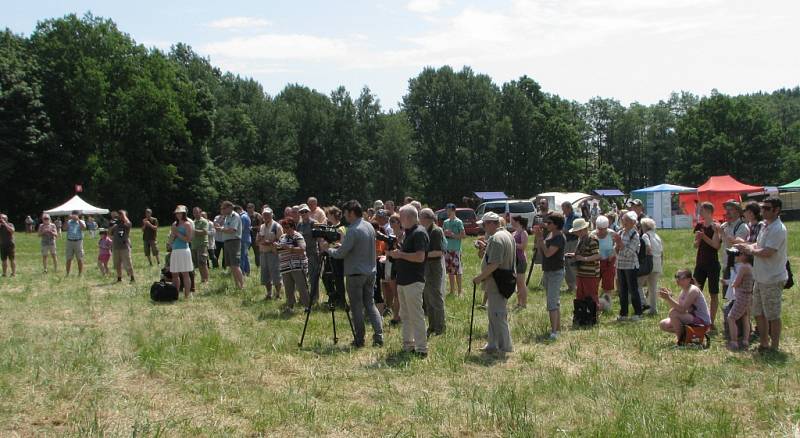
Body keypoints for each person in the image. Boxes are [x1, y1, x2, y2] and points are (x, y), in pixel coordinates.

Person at [323, 200, 384, 348]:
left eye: (345, 213)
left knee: (356, 307)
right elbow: (355, 247)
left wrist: (328, 249)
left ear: (351, 213)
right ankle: (378, 336)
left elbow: (341, 254)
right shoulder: (369, 225)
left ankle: (359, 339)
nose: (344, 216)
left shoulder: (352, 229)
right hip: (370, 272)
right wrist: (341, 246)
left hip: (356, 274)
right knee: (370, 304)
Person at [735, 197, 788, 351]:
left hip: (772, 278)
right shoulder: (765, 226)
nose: (763, 210)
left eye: (767, 208)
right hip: (760, 277)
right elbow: (759, 246)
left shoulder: (778, 229)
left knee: (773, 315)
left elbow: (768, 252)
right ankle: (764, 343)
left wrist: (750, 250)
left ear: (776, 210)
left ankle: (775, 346)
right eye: (762, 207)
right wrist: (746, 246)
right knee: (758, 312)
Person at [388, 205, 429, 357]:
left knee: (416, 314)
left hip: (414, 280)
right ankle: (408, 344)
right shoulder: (408, 233)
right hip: (404, 280)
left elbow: (420, 257)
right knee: (405, 314)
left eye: (401, 217)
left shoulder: (419, 233)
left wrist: (401, 255)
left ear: (408, 217)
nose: (399, 221)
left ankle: (421, 348)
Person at [473, 211, 515, 354]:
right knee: (493, 313)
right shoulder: (507, 234)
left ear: (491, 223)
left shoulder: (496, 238)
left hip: (497, 281)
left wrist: (480, 277)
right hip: (502, 280)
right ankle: (492, 344)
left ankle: (505, 347)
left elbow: (495, 264)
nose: (483, 228)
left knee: (498, 314)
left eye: (484, 225)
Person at [533, 211, 566, 339]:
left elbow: (547, 253)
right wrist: (539, 237)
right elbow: (540, 247)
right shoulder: (551, 234)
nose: (547, 224)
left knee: (552, 302)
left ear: (556, 224)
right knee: (555, 301)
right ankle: (557, 328)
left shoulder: (558, 237)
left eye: (549, 222)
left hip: (555, 272)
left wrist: (540, 239)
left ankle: (554, 332)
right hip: (548, 271)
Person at [693, 202, 721, 329]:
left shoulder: (716, 226)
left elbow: (716, 245)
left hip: (712, 263)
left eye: (702, 210)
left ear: (709, 211)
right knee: (694, 290)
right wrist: (699, 239)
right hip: (700, 263)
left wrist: (704, 237)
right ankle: (696, 317)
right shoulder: (700, 225)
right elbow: (695, 245)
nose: (700, 212)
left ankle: (712, 321)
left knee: (713, 292)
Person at [658, 269, 712, 336]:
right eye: (676, 277)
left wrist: (668, 298)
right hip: (691, 318)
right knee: (663, 324)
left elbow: (682, 310)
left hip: (702, 322)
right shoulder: (683, 290)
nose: (678, 280)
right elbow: (678, 308)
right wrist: (670, 296)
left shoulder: (693, 290)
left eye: (681, 277)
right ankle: (686, 335)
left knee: (673, 313)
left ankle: (681, 340)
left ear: (689, 279)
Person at [420, 208, 446, 336]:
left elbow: (439, 252)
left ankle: (440, 327)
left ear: (426, 218)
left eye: (420, 217)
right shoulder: (425, 230)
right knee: (428, 298)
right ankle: (432, 326)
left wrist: (421, 255)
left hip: (434, 267)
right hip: (426, 266)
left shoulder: (436, 231)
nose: (419, 220)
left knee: (435, 296)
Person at [614, 211, 643, 321]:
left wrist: (619, 243)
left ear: (633, 222)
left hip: (631, 266)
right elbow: (616, 250)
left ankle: (638, 312)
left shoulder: (635, 235)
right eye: (623, 219)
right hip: (620, 265)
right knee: (622, 290)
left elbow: (628, 253)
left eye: (626, 220)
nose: (624, 222)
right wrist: (616, 245)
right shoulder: (621, 232)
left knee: (633, 290)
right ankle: (623, 313)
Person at [277, 218, 309, 313]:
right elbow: (278, 250)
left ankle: (307, 306)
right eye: (284, 227)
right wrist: (274, 247)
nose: (285, 229)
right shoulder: (282, 237)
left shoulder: (298, 236)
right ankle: (290, 306)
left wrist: (290, 249)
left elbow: (302, 248)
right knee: (288, 288)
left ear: (292, 226)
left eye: (287, 227)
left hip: (297, 265)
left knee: (301, 287)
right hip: (285, 266)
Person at [568, 218, 600, 308]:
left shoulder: (592, 239)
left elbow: (597, 256)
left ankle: (594, 315)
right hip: (581, 272)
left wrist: (583, 258)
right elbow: (583, 253)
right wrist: (574, 255)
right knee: (580, 296)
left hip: (591, 274)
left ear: (583, 230)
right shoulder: (581, 239)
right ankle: (583, 315)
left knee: (591, 296)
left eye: (577, 231)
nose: (575, 233)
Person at [726, 251, 754, 351]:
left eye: (741, 254)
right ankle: (745, 340)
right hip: (748, 296)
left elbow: (737, 282)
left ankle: (734, 342)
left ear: (746, 256)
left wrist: (732, 284)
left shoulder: (744, 267)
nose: (738, 255)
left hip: (741, 296)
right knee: (745, 318)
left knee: (731, 318)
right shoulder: (750, 266)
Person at [215, 201, 244, 289]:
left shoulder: (235, 216)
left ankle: (242, 286)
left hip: (234, 242)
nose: (222, 210)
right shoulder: (226, 217)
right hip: (227, 242)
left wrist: (221, 229)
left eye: (223, 208)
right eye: (221, 208)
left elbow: (232, 230)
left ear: (230, 208)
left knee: (235, 265)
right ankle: (237, 285)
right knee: (231, 266)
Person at [638, 218, 664, 315]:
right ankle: (653, 309)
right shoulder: (657, 236)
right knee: (653, 288)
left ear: (644, 226)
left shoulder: (645, 235)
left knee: (638, 284)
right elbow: (662, 252)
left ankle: (643, 303)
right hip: (657, 264)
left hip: (649, 264)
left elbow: (648, 248)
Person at [321, 207, 345, 306]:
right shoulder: (330, 227)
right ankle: (332, 296)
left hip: (338, 256)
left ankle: (341, 300)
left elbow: (340, 242)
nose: (327, 216)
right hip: (329, 255)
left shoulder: (341, 227)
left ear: (334, 215)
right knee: (325, 276)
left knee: (338, 278)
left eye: (329, 214)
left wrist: (330, 245)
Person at [258, 207, 284, 300]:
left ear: (272, 215)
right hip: (263, 253)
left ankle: (278, 294)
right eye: (264, 214)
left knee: (276, 274)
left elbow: (281, 240)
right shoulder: (261, 226)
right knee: (265, 274)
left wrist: (271, 242)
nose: (266, 216)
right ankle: (269, 293)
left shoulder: (276, 226)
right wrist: (259, 240)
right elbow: (258, 239)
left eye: (268, 214)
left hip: (273, 253)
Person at [170, 205, 195, 298]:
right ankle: (175, 294)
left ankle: (187, 295)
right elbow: (172, 236)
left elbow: (188, 239)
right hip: (175, 250)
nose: (178, 215)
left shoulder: (187, 224)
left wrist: (177, 233)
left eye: (180, 213)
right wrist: (170, 242)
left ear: (184, 214)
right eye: (177, 213)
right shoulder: (174, 224)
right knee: (174, 274)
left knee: (185, 273)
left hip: (184, 250)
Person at [383, 213, 403, 325]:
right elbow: (386, 250)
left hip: (399, 264)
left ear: (399, 223)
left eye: (393, 221)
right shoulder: (389, 234)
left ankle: (397, 316)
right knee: (394, 292)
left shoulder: (403, 234)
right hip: (390, 263)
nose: (391, 224)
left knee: (399, 293)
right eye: (390, 221)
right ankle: (395, 315)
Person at [592, 215, 616, 310]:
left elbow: (617, 245)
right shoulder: (592, 234)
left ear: (607, 227)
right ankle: (595, 303)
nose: (601, 231)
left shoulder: (612, 234)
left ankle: (607, 305)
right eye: (599, 229)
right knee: (594, 283)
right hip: (596, 262)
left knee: (608, 285)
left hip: (609, 262)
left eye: (603, 229)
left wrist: (613, 253)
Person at [443, 203, 466, 296]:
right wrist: (444, 233)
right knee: (450, 270)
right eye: (446, 210)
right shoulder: (445, 222)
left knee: (458, 271)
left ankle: (460, 291)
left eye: (449, 210)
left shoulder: (458, 222)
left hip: (456, 249)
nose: (447, 212)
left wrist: (452, 234)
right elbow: (443, 234)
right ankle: (452, 290)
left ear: (453, 210)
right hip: (447, 249)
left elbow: (463, 235)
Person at [110, 210, 135, 283]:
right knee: (117, 263)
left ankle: (132, 277)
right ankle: (119, 278)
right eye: (119, 215)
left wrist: (124, 215)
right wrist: (112, 226)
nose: (119, 216)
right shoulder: (116, 225)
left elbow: (129, 224)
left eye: (121, 215)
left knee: (128, 263)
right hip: (116, 247)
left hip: (124, 247)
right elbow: (109, 233)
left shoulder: (126, 225)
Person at [510, 215, 529, 309]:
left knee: (521, 283)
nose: (511, 222)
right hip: (514, 260)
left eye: (512, 220)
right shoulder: (514, 233)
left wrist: (512, 244)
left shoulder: (523, 232)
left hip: (521, 260)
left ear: (517, 221)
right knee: (517, 283)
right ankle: (519, 302)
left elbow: (523, 246)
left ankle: (524, 303)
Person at [562, 202, 578, 293]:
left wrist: (567, 231)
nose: (563, 211)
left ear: (569, 208)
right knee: (566, 264)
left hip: (573, 242)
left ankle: (575, 285)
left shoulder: (575, 217)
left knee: (572, 263)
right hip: (566, 242)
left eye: (564, 209)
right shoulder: (566, 217)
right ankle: (570, 285)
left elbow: (577, 231)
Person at [64, 211, 86, 276]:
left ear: (78, 215)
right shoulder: (69, 222)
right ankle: (67, 273)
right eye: (73, 215)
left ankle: (80, 273)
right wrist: (67, 220)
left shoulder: (81, 221)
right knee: (69, 258)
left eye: (75, 215)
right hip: (69, 241)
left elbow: (84, 228)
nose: (74, 216)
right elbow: (64, 228)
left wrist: (78, 220)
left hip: (78, 242)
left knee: (79, 258)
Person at [192, 206, 209, 284]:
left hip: (202, 245)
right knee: (198, 264)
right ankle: (202, 279)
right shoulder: (193, 222)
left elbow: (204, 232)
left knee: (202, 263)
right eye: (194, 212)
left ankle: (205, 280)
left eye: (197, 212)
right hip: (194, 245)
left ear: (200, 212)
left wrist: (193, 231)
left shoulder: (204, 221)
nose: (195, 214)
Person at [236, 205, 252, 275]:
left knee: (242, 256)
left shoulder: (242, 217)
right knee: (245, 256)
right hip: (247, 238)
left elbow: (241, 229)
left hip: (243, 239)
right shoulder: (246, 216)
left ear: (238, 210)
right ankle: (247, 271)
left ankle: (242, 272)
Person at [246, 203, 263, 269]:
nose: (249, 209)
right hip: (247, 237)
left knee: (257, 253)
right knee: (245, 252)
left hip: (255, 237)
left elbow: (260, 226)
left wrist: (252, 228)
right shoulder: (245, 215)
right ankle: (246, 266)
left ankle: (258, 267)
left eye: (250, 207)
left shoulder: (258, 215)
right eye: (248, 207)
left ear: (253, 208)